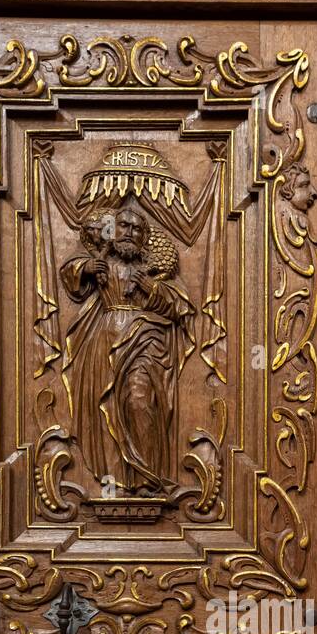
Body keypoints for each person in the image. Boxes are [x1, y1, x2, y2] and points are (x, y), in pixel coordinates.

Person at [60, 199, 195, 493]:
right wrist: (86, 268)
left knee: (138, 401)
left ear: (144, 238)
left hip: (145, 342)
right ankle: (115, 479)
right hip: (105, 342)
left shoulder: (152, 271)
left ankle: (147, 476)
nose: (130, 233)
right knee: (104, 406)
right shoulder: (102, 262)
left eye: (137, 229)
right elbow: (69, 271)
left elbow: (179, 307)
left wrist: (151, 288)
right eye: (124, 226)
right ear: (112, 228)